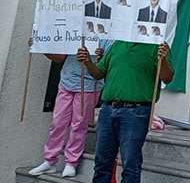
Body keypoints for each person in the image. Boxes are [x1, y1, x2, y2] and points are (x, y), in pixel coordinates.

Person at [77, 40, 173, 183]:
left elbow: (167, 77)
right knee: (102, 161)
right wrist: (87, 62)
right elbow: (98, 73)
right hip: (108, 109)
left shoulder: (157, 46)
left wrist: (163, 59)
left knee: (130, 164)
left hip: (136, 111)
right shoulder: (117, 44)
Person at [28, 39, 110, 178]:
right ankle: (50, 160)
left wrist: (99, 56)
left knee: (79, 124)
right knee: (58, 122)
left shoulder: (106, 34)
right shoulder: (74, 28)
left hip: (89, 85)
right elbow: (59, 57)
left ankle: (71, 162)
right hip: (66, 81)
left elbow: (106, 63)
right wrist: (40, 45)